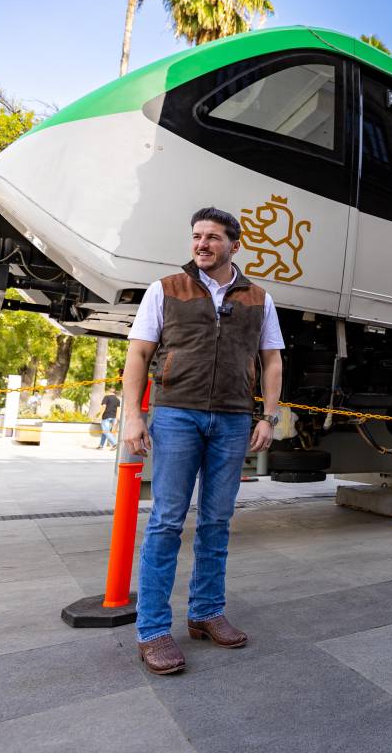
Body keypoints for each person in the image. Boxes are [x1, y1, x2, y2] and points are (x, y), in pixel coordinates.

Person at [122, 206, 284, 675]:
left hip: (233, 420)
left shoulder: (258, 298)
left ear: (235, 243)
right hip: (176, 415)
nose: (202, 244)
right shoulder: (166, 289)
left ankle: (206, 612)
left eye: (213, 237)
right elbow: (139, 353)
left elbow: (272, 360)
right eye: (197, 236)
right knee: (167, 521)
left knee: (217, 521)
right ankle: (153, 631)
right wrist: (134, 415)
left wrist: (269, 416)